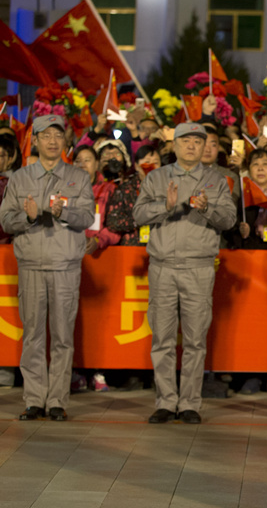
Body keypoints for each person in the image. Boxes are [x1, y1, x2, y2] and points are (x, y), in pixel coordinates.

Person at [133, 122, 237, 424]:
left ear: (205, 146)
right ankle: (165, 401)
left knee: (195, 339)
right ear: (174, 145)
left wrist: (207, 209)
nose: (192, 146)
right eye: (186, 141)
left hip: (199, 267)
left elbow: (229, 219)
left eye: (198, 141)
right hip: (163, 267)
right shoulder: (157, 178)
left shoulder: (215, 180)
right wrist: (164, 207)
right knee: (162, 338)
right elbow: (138, 214)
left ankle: (190, 402)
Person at [0, 115, 94, 421]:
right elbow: (6, 220)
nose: (52, 141)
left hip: (65, 265)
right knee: (33, 335)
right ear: (35, 140)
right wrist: (28, 218)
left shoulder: (78, 178)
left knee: (63, 335)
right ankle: (34, 399)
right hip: (31, 265)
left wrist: (63, 210)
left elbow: (86, 218)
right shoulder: (19, 179)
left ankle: (57, 400)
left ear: (65, 141)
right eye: (46, 136)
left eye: (58, 135)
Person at [106, 145, 162, 245]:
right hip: (132, 248)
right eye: (147, 162)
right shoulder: (125, 189)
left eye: (156, 163)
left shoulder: (167, 189)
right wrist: (138, 220)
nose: (151, 166)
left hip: (161, 248)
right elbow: (112, 222)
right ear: (136, 165)